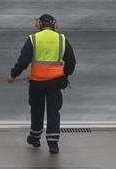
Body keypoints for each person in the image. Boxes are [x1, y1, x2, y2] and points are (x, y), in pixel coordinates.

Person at [10, 14, 76, 154]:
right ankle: (53, 143)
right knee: (53, 111)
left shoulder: (33, 39)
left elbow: (23, 60)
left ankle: (35, 137)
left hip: (37, 83)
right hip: (55, 82)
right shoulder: (61, 39)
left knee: (37, 110)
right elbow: (71, 61)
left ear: (39, 25)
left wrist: (14, 74)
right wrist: (66, 74)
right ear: (53, 24)